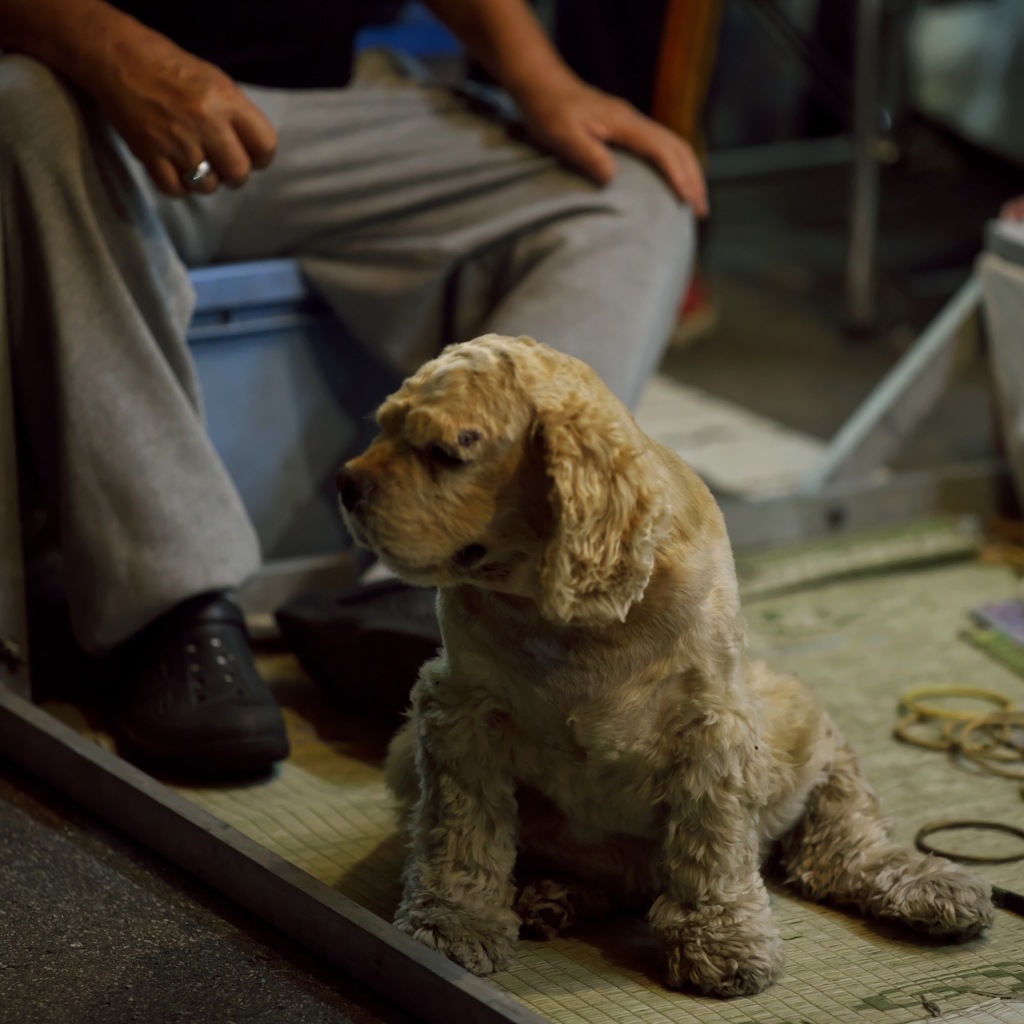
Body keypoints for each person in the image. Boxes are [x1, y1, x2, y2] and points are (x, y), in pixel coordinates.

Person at [0, 0, 705, 777]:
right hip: (77, 88)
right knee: (19, 107)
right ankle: (169, 613)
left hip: (319, 109)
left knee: (631, 189)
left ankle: (444, 590)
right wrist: (110, 49)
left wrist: (543, 80)